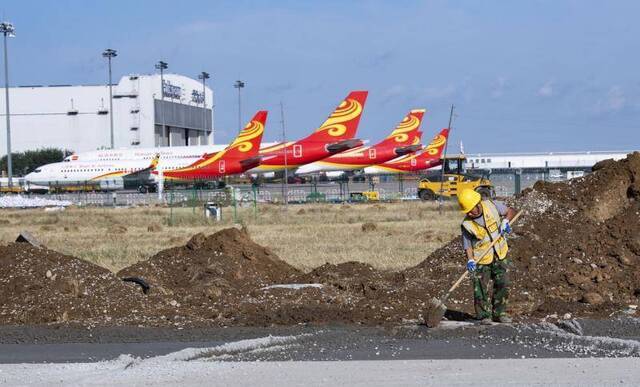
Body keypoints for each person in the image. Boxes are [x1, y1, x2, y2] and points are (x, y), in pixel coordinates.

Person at [457, 189, 517, 324]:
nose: (471, 213)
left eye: (472, 209)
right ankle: (484, 315)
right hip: (481, 258)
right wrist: (470, 259)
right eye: (467, 211)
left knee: (503, 283)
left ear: (478, 203)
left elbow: (511, 211)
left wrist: (506, 221)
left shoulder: (492, 205)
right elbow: (467, 244)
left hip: (500, 252)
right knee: (480, 287)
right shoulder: (467, 224)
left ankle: (499, 313)